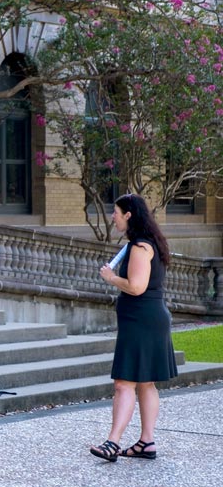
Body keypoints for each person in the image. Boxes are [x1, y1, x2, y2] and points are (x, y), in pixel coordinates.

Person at [90, 194, 178, 462]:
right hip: (148, 318)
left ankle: (112, 443)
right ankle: (146, 442)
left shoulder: (140, 247)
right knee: (145, 383)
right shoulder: (147, 244)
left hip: (141, 320)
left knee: (124, 383)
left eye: (116, 212)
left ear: (129, 214)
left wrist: (112, 278)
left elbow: (137, 287)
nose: (113, 217)